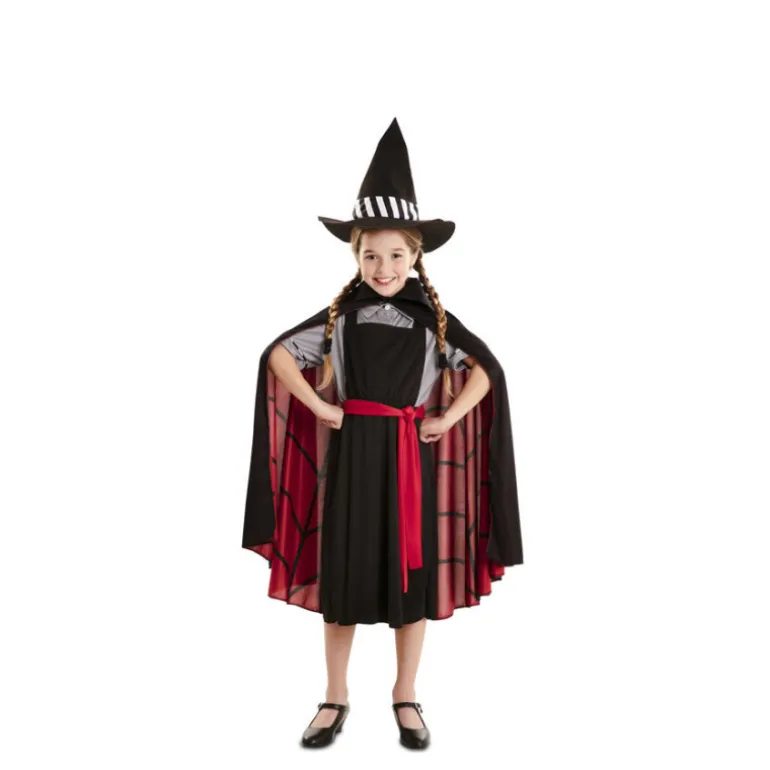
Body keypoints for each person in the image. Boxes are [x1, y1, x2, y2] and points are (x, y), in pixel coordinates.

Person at [242, 118, 523, 749]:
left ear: (416, 256)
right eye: (371, 254)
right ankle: (334, 695)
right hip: (350, 461)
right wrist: (319, 407)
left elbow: (487, 371)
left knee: (409, 579)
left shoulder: (433, 321)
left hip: (408, 461)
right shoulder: (339, 317)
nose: (384, 266)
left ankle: (406, 693)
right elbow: (276, 355)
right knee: (341, 576)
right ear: (356, 256)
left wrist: (447, 418)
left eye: (397, 255)